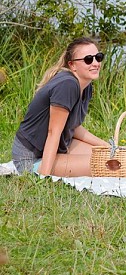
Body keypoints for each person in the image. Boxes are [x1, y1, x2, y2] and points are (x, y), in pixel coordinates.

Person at [12, 37, 110, 176]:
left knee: (110, 157)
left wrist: (107, 146)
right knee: (105, 166)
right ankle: (41, 170)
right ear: (72, 65)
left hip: (59, 148)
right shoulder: (67, 85)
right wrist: (44, 177)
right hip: (30, 159)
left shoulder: (86, 85)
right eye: (88, 59)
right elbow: (54, 133)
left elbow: (73, 127)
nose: (95, 63)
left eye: (98, 57)